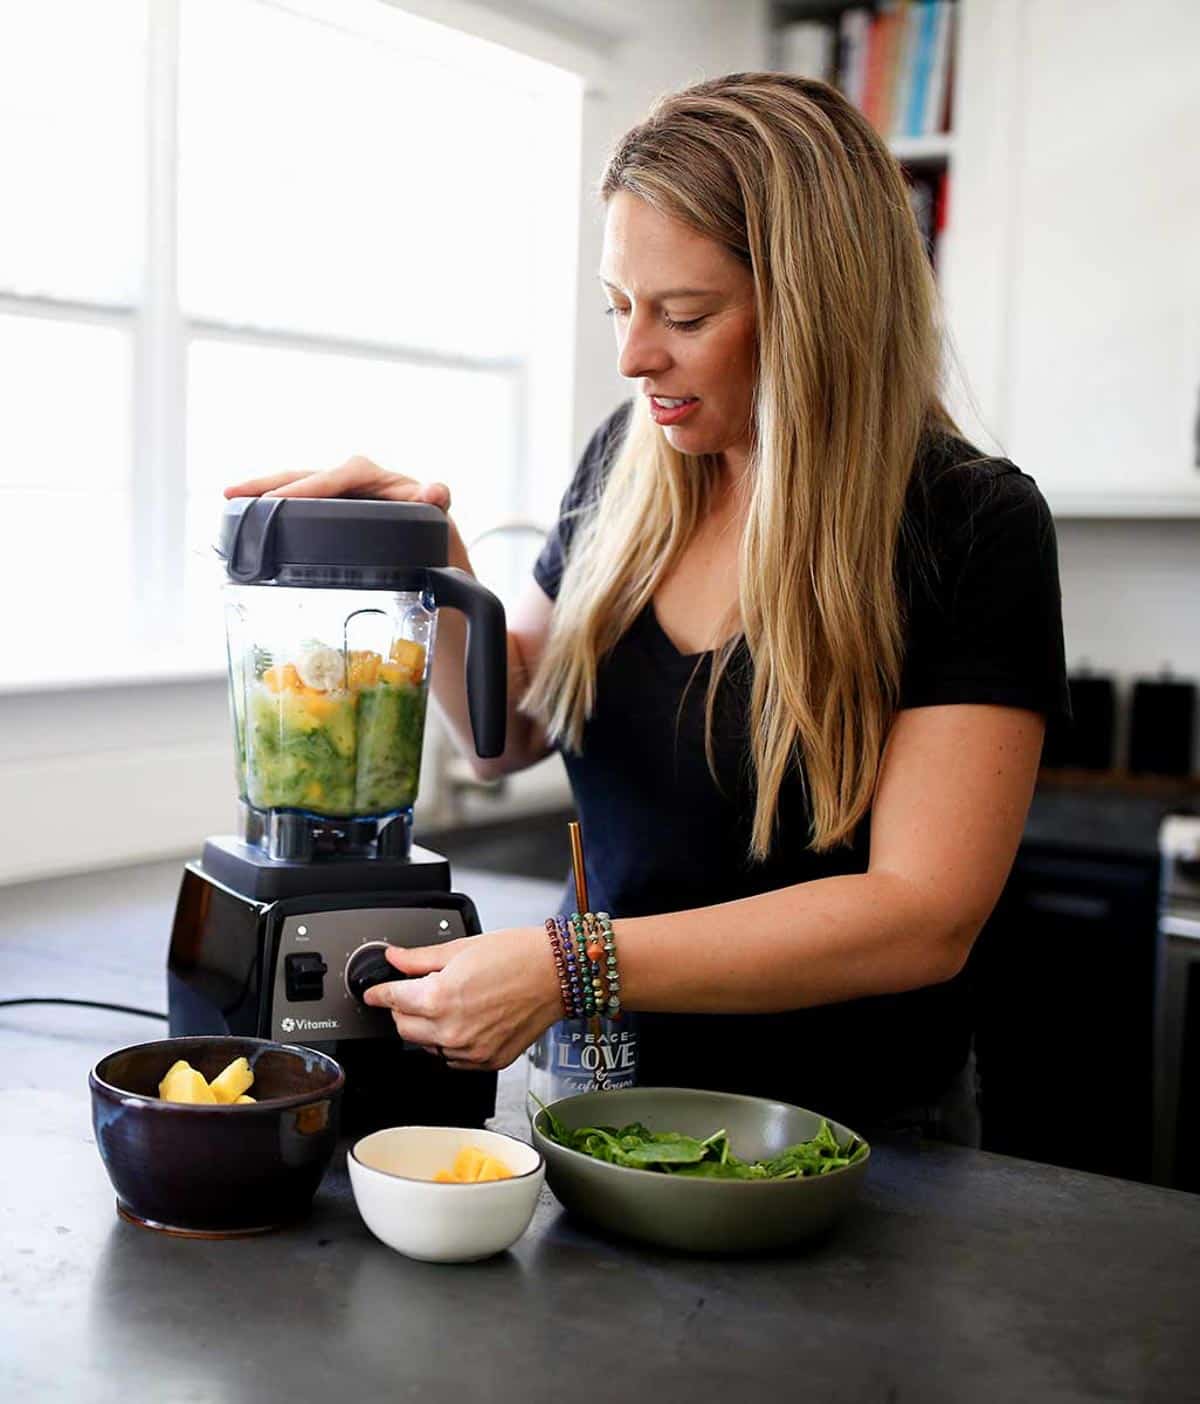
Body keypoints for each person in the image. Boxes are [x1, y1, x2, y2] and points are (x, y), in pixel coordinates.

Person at [227, 73, 1069, 1144]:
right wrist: (435, 564)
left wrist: (568, 963)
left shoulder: (970, 523)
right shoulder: (629, 464)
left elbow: (923, 917)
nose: (634, 359)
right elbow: (504, 738)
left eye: (685, 315)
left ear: (819, 309)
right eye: (620, 307)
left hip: (854, 1139)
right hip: (607, 1108)